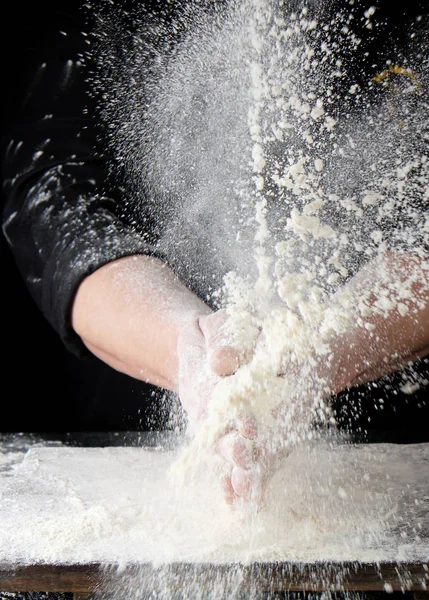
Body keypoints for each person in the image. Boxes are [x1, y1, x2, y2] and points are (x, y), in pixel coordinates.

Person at [1, 0, 428, 507]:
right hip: (129, 453)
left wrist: (323, 350)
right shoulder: (99, 15)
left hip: (396, 461)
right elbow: (56, 196)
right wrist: (186, 347)